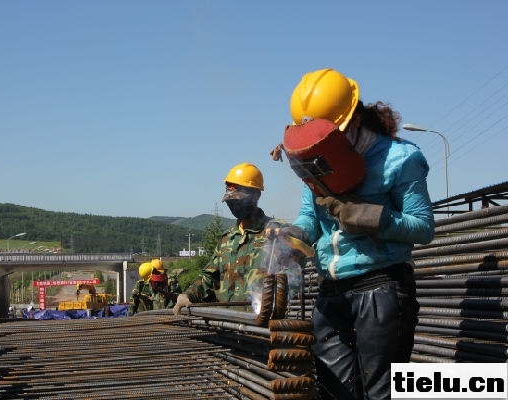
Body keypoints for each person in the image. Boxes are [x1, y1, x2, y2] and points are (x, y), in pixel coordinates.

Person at [277, 68, 435, 400]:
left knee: (381, 394)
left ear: (352, 121)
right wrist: (295, 237)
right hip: (331, 292)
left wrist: (374, 217)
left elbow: (423, 228)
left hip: (381, 289)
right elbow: (310, 215)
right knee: (335, 393)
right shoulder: (315, 160)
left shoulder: (400, 159)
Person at [173, 162, 308, 314]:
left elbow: (294, 272)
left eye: (238, 200)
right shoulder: (227, 238)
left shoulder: (276, 232)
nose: (234, 205)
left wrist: (272, 295)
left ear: (256, 195)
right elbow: (209, 277)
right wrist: (188, 294)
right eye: (231, 201)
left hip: (262, 325)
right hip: (228, 324)